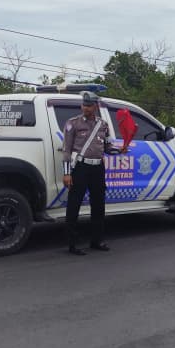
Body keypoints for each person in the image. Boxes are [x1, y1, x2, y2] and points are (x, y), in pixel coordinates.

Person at [62, 91, 127, 255]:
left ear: (96, 106)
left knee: (98, 205)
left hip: (98, 168)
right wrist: (67, 173)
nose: (86, 108)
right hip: (80, 168)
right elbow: (66, 150)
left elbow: (107, 148)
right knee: (74, 205)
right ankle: (72, 244)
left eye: (90, 106)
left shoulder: (103, 125)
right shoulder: (73, 123)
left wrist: (120, 150)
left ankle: (96, 240)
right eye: (84, 105)